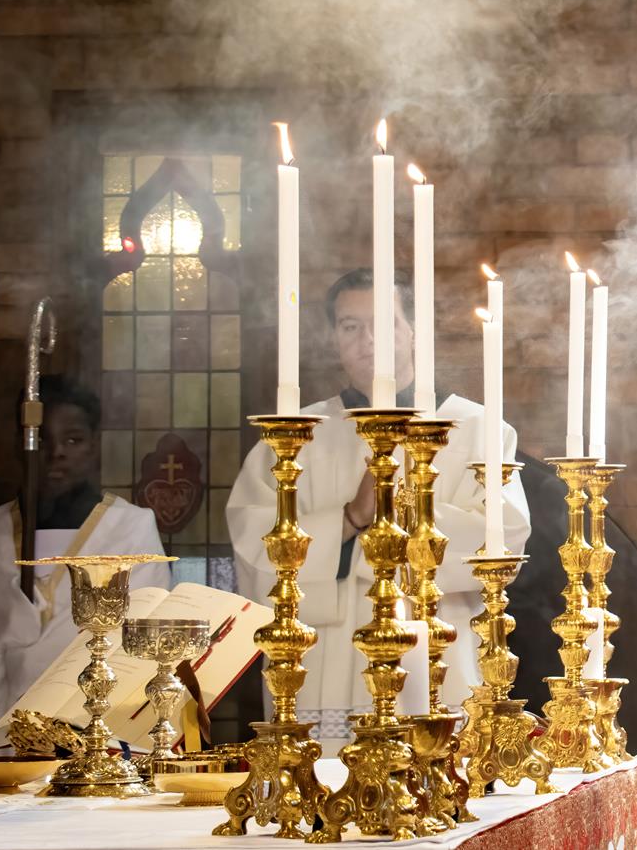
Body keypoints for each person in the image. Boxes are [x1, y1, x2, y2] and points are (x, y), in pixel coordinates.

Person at [226, 269, 530, 748]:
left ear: (414, 333)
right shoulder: (294, 434)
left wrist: (401, 514)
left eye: (384, 324)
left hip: (437, 651)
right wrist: (348, 519)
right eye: (350, 326)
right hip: (326, 655)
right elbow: (255, 548)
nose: (368, 341)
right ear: (334, 338)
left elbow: (503, 539)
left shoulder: (475, 427)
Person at [0, 376, 171, 750]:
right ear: (23, 445)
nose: (56, 453)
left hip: (101, 734)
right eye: (42, 440)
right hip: (0, 731)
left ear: (94, 446)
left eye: (72, 440)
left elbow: (146, 642)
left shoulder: (131, 528)